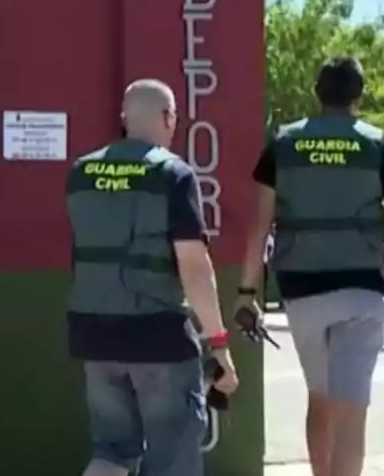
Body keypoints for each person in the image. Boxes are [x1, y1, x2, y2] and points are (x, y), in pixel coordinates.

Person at [235, 56, 384, 476]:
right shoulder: (378, 145)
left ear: (316, 93)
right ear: (359, 96)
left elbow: (258, 227)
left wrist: (247, 292)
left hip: (302, 291)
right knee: (351, 411)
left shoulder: (283, 145)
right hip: (360, 291)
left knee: (320, 399)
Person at [66, 79, 238, 476]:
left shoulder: (81, 172)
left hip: (93, 332)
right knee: (173, 457)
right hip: (157, 336)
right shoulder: (172, 174)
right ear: (167, 118)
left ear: (124, 119)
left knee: (111, 451)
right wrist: (219, 346)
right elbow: (194, 267)